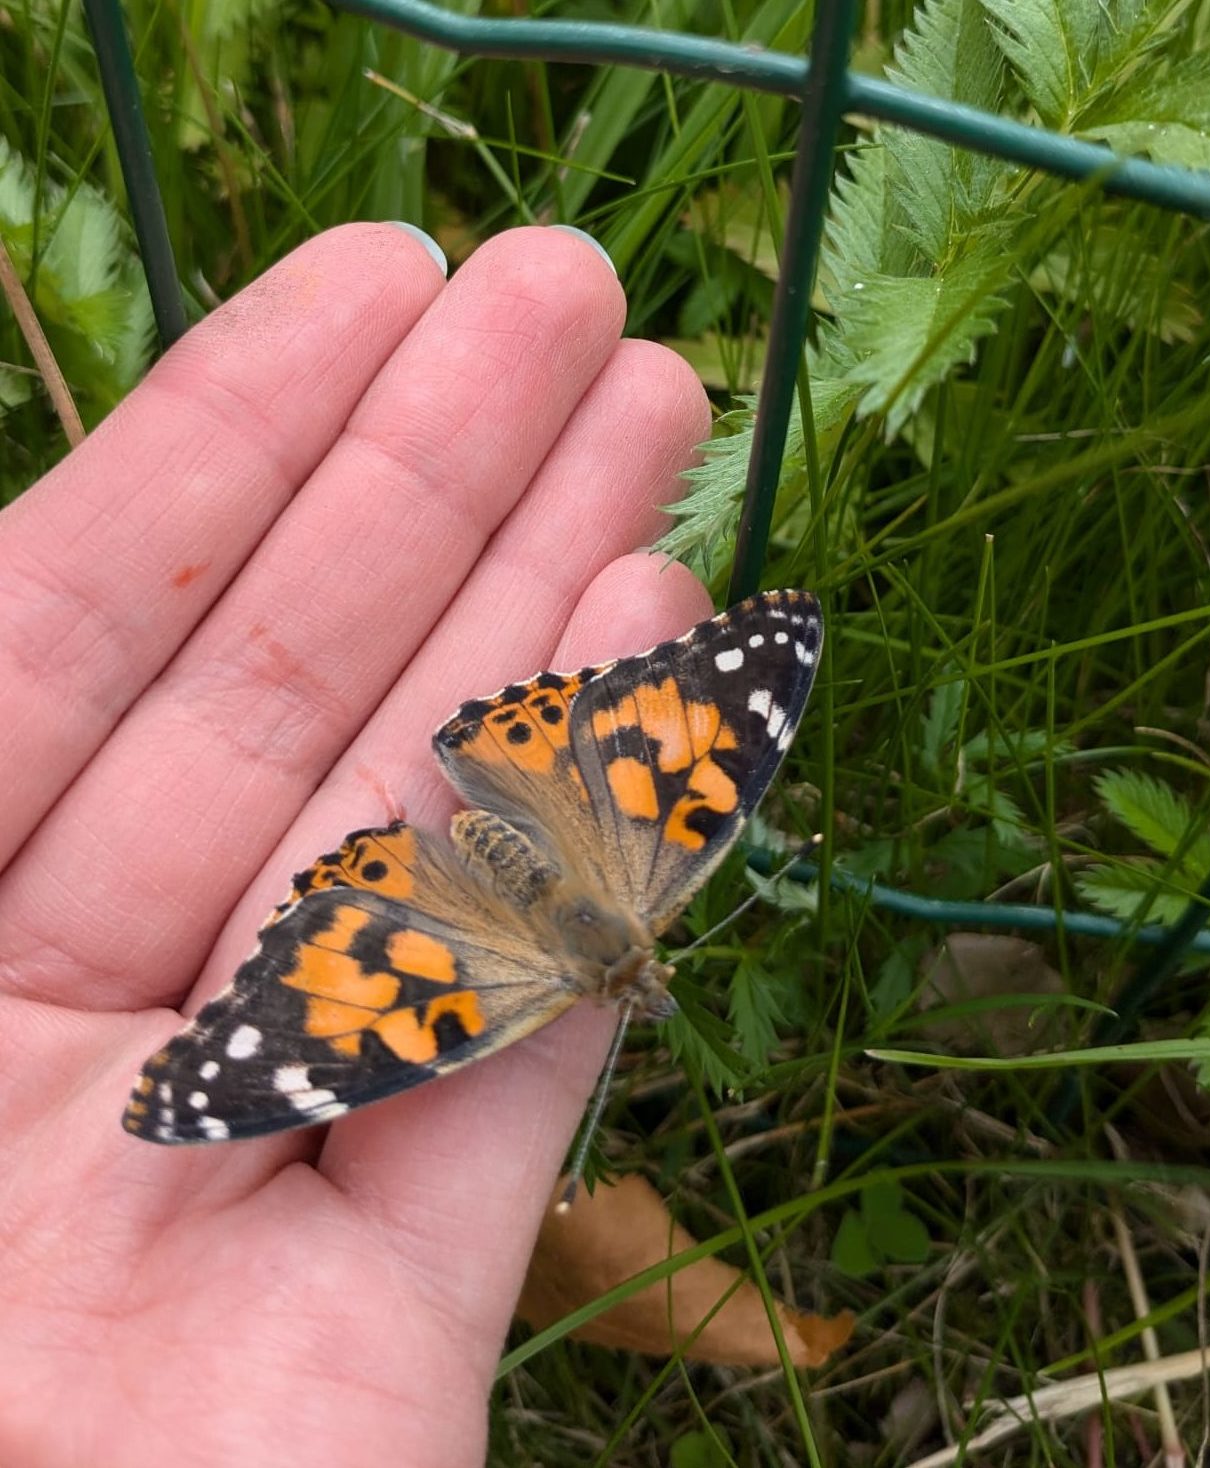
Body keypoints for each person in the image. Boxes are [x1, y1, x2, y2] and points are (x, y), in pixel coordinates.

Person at [0, 223, 712, 1465]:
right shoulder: (541, 985)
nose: (640, 985)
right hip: (505, 851)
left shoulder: (537, 978)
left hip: (506, 823)